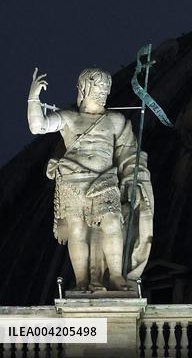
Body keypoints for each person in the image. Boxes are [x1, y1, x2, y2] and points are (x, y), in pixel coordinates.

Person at [27, 66, 153, 291]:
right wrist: (33, 98)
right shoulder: (68, 117)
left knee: (113, 223)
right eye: (98, 85)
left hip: (105, 180)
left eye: (106, 86)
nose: (103, 90)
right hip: (73, 181)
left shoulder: (116, 121)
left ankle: (116, 276)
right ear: (84, 87)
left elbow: (129, 156)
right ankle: (82, 281)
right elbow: (38, 126)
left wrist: (133, 178)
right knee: (77, 231)